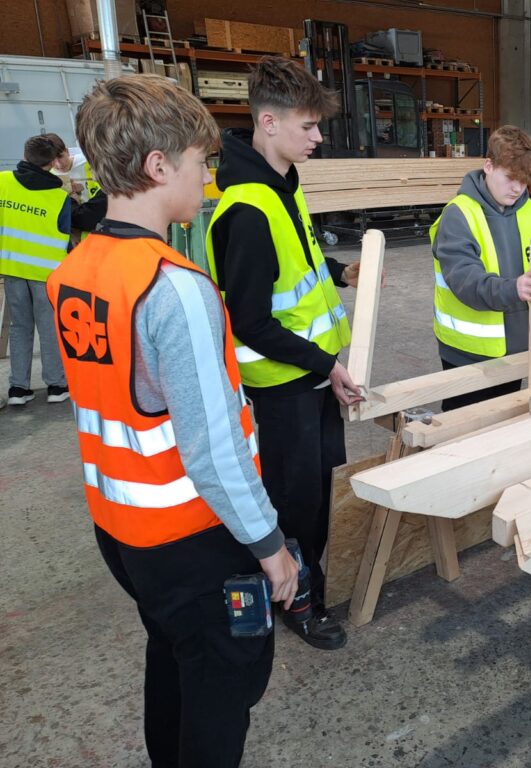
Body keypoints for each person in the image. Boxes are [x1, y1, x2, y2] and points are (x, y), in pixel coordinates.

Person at [46, 74, 298, 767]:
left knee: (173, 655)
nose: (209, 180)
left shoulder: (78, 268)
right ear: (159, 166)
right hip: (193, 538)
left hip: (121, 530)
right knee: (225, 682)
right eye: (200, 162)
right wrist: (269, 544)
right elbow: (212, 449)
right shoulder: (173, 287)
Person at [206, 56, 362, 651]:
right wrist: (327, 365)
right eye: (308, 126)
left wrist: (338, 273)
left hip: (314, 377)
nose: (318, 137)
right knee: (295, 503)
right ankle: (298, 602)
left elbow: (294, 263)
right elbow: (251, 323)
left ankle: (308, 582)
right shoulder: (247, 209)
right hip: (284, 385)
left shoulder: (282, 186)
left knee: (318, 492)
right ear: (268, 123)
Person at [430, 124, 531, 411]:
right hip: (468, 352)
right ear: (488, 166)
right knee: (463, 425)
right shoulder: (459, 214)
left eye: (524, 181)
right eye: (511, 178)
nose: (518, 188)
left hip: (517, 348)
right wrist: (514, 288)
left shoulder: (528, 209)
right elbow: (465, 281)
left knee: (505, 420)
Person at [0, 134, 73, 405]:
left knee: (20, 327)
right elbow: (66, 234)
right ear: (52, 162)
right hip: (46, 273)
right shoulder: (59, 197)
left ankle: (18, 389)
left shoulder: (3, 182)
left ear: (24, 155)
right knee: (49, 327)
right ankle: (56, 386)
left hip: (12, 268)